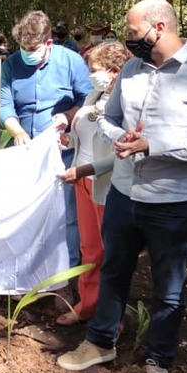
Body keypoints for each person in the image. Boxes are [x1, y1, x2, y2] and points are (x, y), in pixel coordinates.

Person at [57, 0, 187, 373]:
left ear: (159, 28)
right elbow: (111, 119)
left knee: (168, 289)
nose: (128, 39)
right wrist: (123, 139)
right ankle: (100, 342)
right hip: (124, 192)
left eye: (133, 32)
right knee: (114, 272)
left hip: (176, 201)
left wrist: (151, 145)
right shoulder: (132, 70)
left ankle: (158, 362)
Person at [0, 11, 92, 270]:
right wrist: (16, 130)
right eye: (24, 48)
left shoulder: (72, 61)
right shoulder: (12, 64)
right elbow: (4, 103)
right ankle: (21, 272)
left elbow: (88, 100)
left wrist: (68, 116)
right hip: (23, 152)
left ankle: (64, 276)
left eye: (33, 48)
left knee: (66, 215)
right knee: (19, 212)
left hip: (62, 151)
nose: (28, 53)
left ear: (48, 43)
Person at [58, 42, 131, 326]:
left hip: (108, 184)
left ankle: (113, 315)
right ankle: (88, 304)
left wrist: (88, 168)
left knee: (112, 251)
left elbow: (125, 150)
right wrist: (68, 139)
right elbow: (83, 132)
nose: (90, 74)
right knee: (89, 249)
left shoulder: (127, 102)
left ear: (114, 71)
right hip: (82, 179)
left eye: (94, 69)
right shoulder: (93, 95)